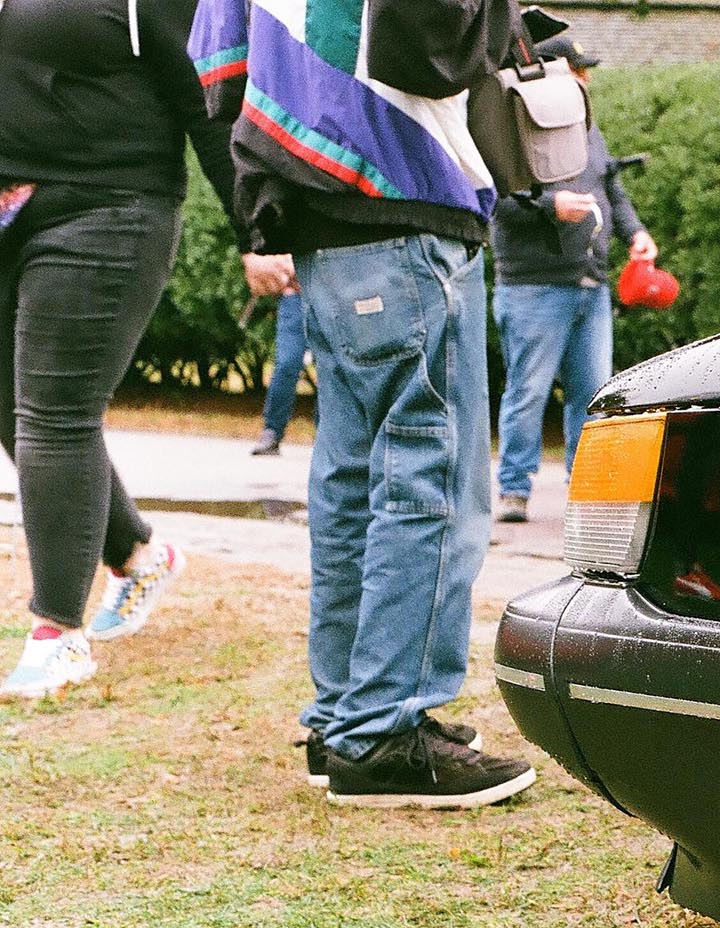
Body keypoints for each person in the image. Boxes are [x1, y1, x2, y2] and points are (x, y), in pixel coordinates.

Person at [192, 0, 535, 809]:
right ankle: (384, 730)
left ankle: (343, 719)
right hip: (403, 187)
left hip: (314, 207)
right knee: (432, 477)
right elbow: (437, 43)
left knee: (351, 481)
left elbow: (214, 64)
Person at [0, 0, 279, 700]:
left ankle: (58, 635)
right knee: (10, 405)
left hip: (108, 208)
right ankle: (137, 555)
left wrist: (256, 233)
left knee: (56, 412)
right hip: (10, 206)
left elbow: (207, 105)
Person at [491, 36, 656, 524]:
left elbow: (613, 190)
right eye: (577, 69)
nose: (585, 79)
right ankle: (513, 493)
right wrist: (549, 207)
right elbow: (494, 200)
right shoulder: (512, 124)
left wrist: (636, 233)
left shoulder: (589, 128)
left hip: (591, 283)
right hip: (533, 286)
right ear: (548, 72)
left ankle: (586, 491)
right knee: (528, 392)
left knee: (593, 395)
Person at [250, 290, 306, 456]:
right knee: (287, 363)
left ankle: (328, 438)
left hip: (334, 292)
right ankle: (272, 431)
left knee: (332, 366)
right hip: (296, 294)